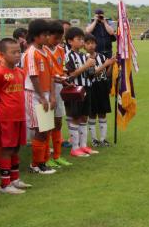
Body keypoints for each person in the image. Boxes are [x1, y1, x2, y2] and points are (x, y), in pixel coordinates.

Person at [0, 38, 31, 194]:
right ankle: (5, 184)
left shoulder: (20, 71)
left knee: (16, 148)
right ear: (2, 54)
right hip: (6, 117)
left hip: (20, 116)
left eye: (19, 51)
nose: (17, 55)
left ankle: (15, 179)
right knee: (6, 149)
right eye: (13, 52)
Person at [23, 19, 56, 174]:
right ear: (36, 36)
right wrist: (42, 97)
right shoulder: (31, 53)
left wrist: (52, 96)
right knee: (39, 129)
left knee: (47, 127)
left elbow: (51, 75)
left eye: (48, 34)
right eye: (44, 35)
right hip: (34, 94)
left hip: (46, 94)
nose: (47, 38)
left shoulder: (46, 52)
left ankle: (43, 161)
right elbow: (34, 76)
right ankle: (36, 164)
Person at [64, 27, 96, 158]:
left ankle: (83, 145)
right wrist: (86, 66)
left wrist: (91, 67)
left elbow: (90, 74)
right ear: (70, 41)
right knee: (75, 117)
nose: (82, 42)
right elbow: (70, 75)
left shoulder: (84, 56)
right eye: (79, 39)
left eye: (83, 39)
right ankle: (75, 147)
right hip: (75, 90)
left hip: (87, 88)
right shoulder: (68, 56)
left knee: (84, 117)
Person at [45, 20, 72, 168]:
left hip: (58, 88)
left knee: (58, 122)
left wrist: (64, 79)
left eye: (60, 38)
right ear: (47, 35)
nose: (58, 41)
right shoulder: (42, 50)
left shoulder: (61, 50)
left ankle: (57, 155)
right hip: (45, 90)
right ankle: (46, 157)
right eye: (56, 38)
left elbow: (61, 69)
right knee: (45, 125)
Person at [85, 33, 115, 149]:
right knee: (92, 113)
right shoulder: (85, 57)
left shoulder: (102, 57)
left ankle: (103, 139)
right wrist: (105, 64)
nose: (91, 46)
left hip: (102, 86)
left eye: (93, 43)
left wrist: (111, 65)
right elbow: (91, 75)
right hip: (91, 87)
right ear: (84, 45)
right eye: (88, 43)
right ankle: (94, 139)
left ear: (96, 44)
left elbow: (106, 74)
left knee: (102, 113)